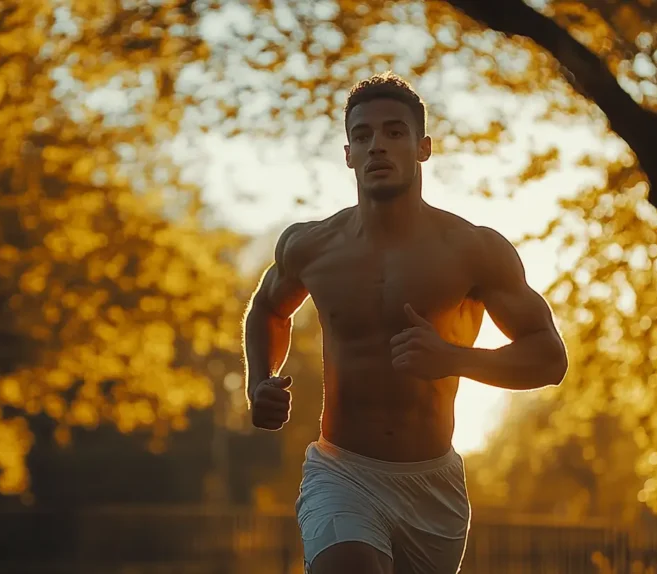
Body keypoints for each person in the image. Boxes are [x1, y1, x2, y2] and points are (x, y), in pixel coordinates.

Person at [242, 72, 569, 574]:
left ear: (423, 148)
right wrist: (259, 380)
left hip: (432, 485)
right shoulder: (310, 246)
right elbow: (268, 307)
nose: (378, 146)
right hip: (341, 472)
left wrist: (453, 358)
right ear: (348, 153)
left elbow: (549, 358)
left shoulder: (474, 250)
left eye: (395, 132)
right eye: (364, 135)